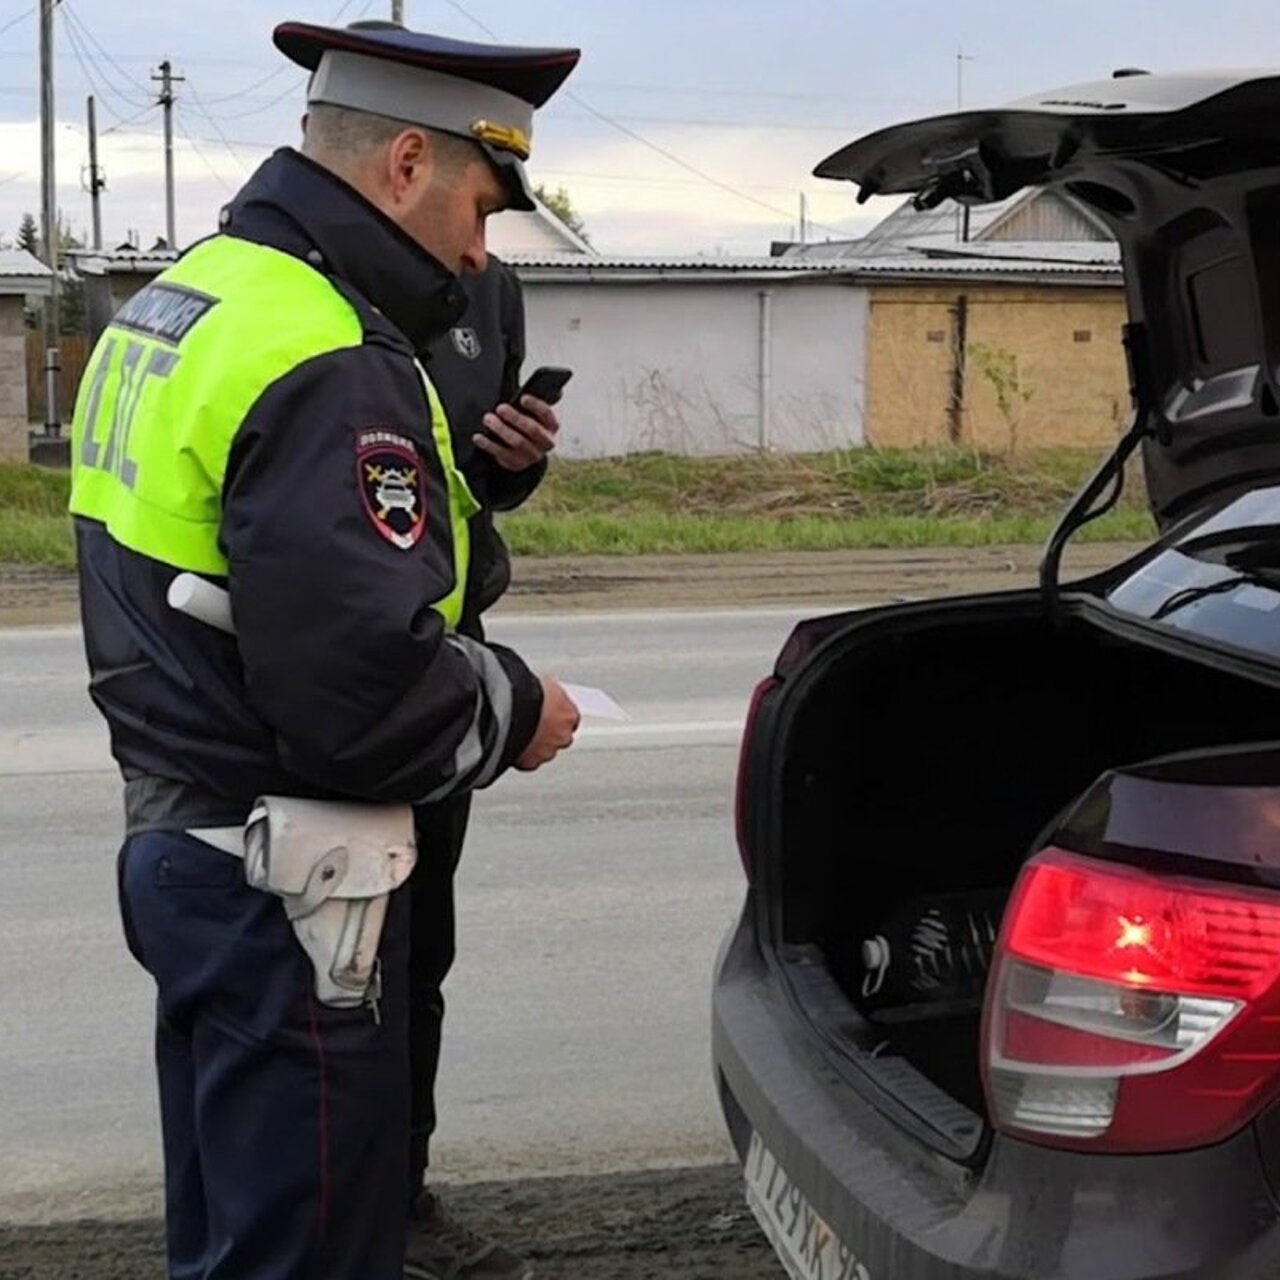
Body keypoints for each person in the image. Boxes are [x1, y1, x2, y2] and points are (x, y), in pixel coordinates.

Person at [67, 18, 581, 1280]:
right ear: (407, 162)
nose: (478, 248)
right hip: (287, 879)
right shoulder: (327, 349)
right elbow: (360, 694)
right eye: (478, 203)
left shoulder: (188, 298)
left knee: (234, 1234)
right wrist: (515, 706)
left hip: (185, 842)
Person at [406, 257, 554, 1280]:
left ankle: (395, 1193)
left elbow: (472, 488)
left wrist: (515, 461)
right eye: (483, 203)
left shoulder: (490, 291)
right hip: (355, 656)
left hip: (445, 646)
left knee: (417, 957)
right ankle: (338, 1210)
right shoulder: (309, 293)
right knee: (331, 974)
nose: (484, 238)